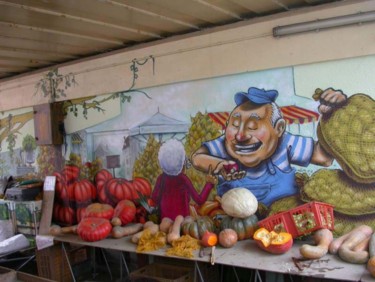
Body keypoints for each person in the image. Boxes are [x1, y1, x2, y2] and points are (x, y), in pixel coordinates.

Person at [191, 87, 347, 207]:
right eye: (235, 125)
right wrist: (219, 165)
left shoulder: (285, 143)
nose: (240, 136)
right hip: (236, 229)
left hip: (282, 226)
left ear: (279, 128)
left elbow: (324, 158)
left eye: (253, 127)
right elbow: (197, 158)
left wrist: (336, 114)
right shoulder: (226, 143)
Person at [151, 139, 218, 221]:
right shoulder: (183, 179)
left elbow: (154, 198)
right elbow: (199, 200)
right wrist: (209, 184)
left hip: (165, 221)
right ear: (182, 163)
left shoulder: (161, 178)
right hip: (184, 223)